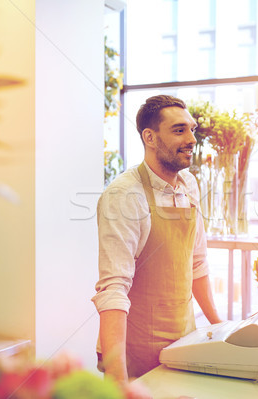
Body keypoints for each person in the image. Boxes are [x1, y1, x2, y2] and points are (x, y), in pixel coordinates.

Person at [92, 95, 222, 391]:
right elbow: (113, 290)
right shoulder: (124, 196)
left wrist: (221, 328)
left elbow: (196, 262)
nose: (192, 139)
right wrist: (118, 383)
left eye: (192, 129)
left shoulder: (189, 184)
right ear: (149, 137)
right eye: (179, 130)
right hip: (136, 356)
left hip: (184, 345)